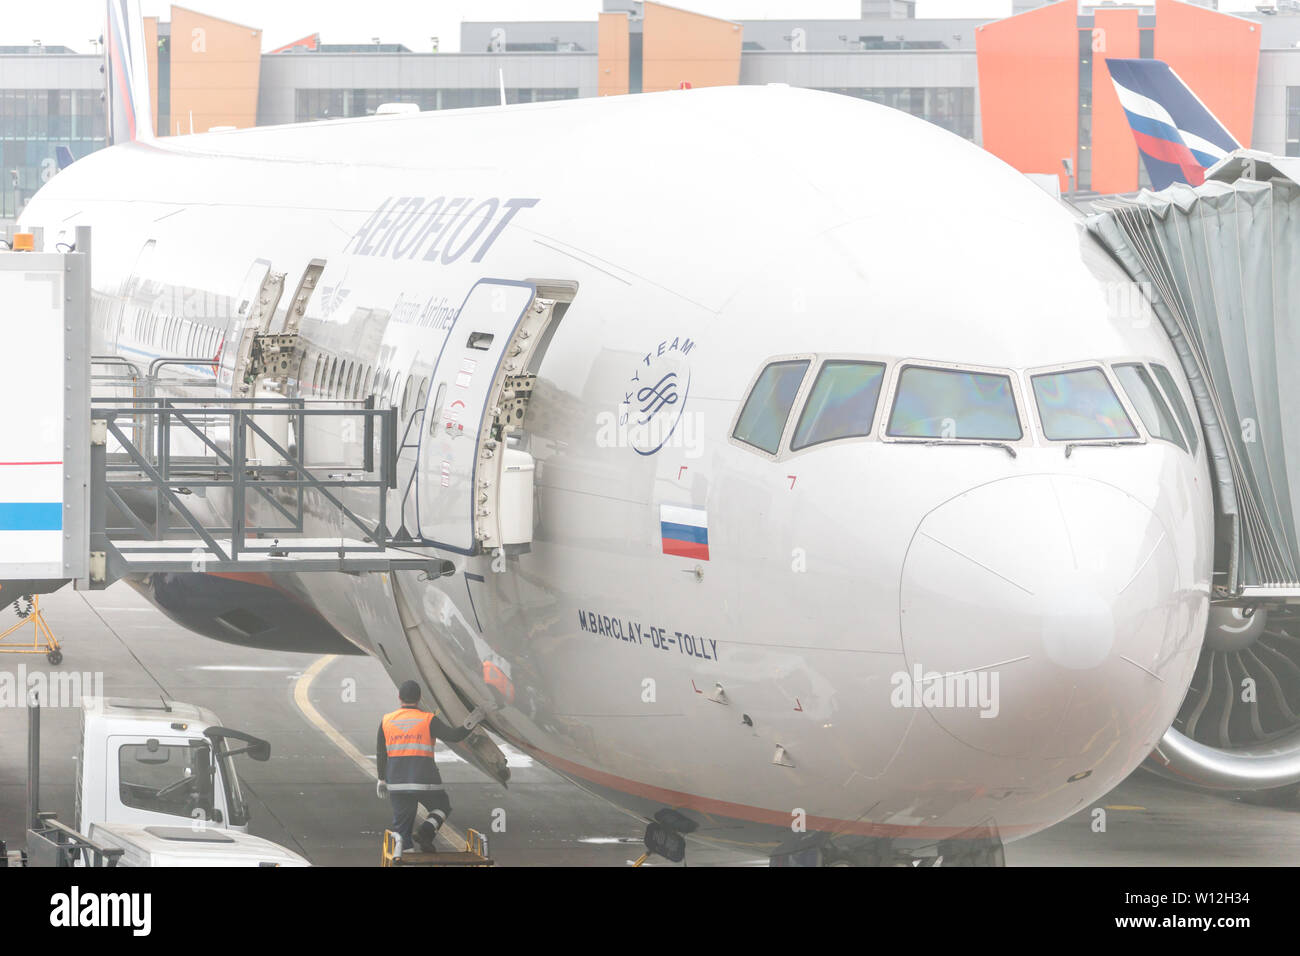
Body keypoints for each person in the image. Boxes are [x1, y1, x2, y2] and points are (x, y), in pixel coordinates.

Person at [377, 679, 486, 856]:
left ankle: (407, 854)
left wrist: (382, 779)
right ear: (419, 698)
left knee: (402, 829)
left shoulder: (386, 721)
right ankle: (426, 831)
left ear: (399, 697)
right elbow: (454, 736)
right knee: (442, 806)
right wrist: (472, 721)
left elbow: (381, 754)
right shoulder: (428, 720)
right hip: (425, 781)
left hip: (397, 783)